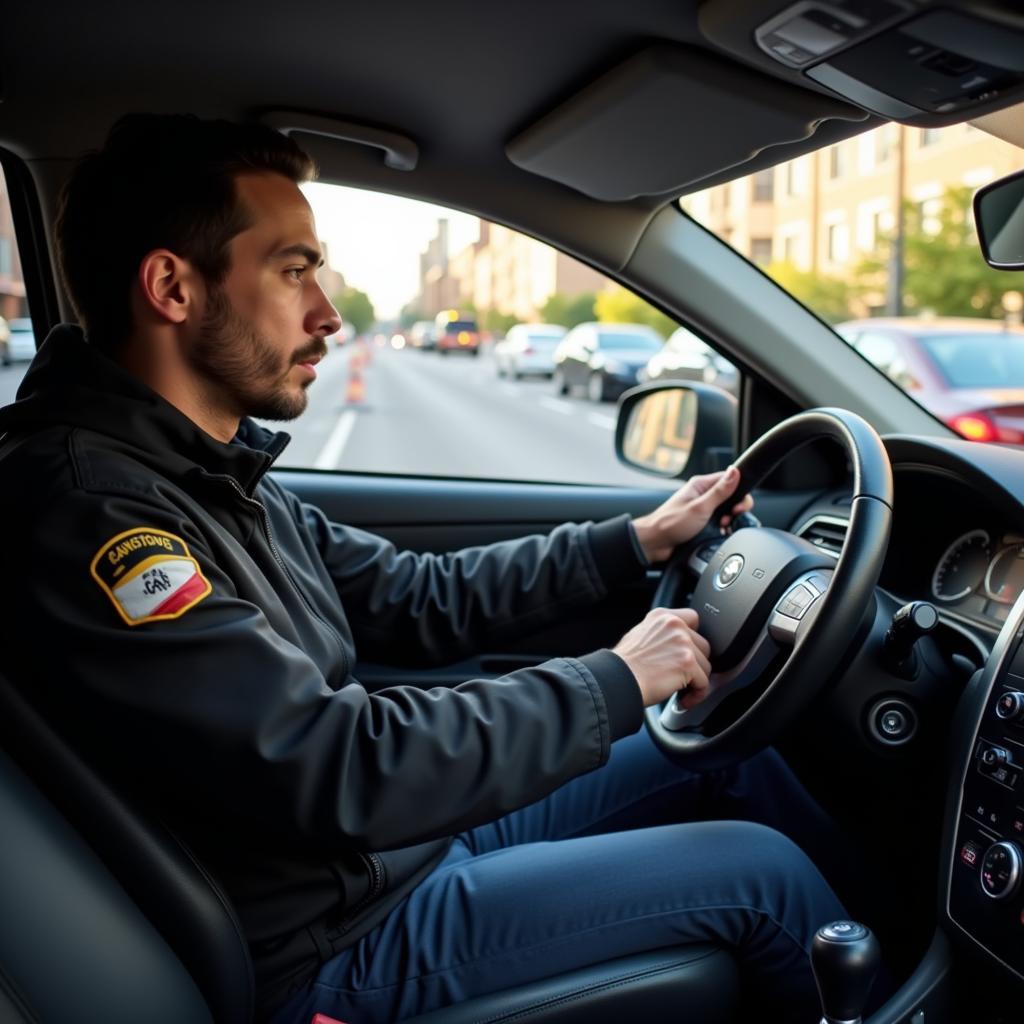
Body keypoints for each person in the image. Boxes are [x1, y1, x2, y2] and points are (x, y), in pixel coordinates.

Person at [0, 114, 849, 1024]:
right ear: (171, 286)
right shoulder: (98, 513)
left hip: (385, 856)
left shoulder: (207, 468)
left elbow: (414, 597)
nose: (327, 312)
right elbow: (330, 767)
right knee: (763, 880)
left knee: (726, 749)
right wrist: (615, 678)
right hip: (329, 942)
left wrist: (634, 542)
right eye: (293, 271)